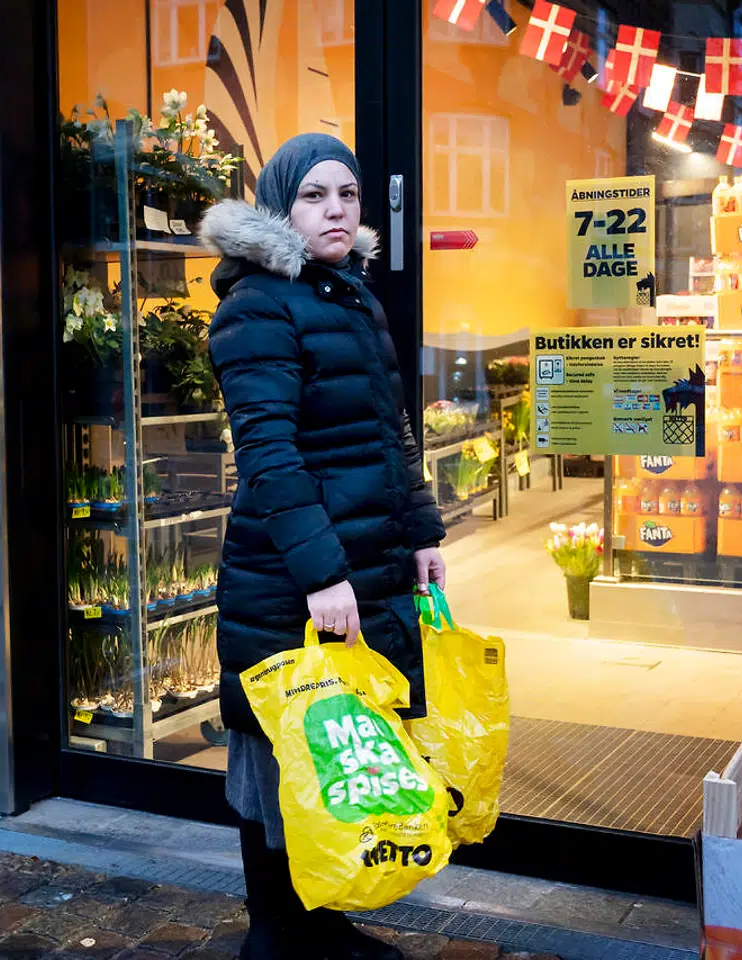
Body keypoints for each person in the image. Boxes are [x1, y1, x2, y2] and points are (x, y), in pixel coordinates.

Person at [200, 134, 447, 960]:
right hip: (294, 576)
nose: (336, 209)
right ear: (279, 207)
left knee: (334, 753)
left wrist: (421, 532)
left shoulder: (351, 297)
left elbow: (391, 432)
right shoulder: (256, 306)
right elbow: (268, 452)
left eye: (347, 193)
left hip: (363, 562)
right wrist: (321, 575)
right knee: (281, 761)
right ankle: (274, 938)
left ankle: (322, 927)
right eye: (314, 196)